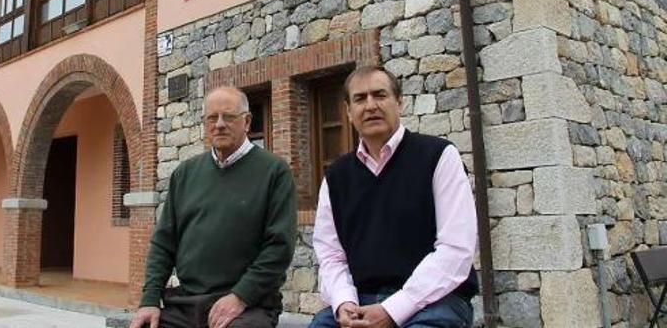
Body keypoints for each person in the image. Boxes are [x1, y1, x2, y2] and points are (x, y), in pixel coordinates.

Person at [309, 66, 478, 328]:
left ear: (399, 102)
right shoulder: (336, 177)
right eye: (360, 99)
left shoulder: (439, 156)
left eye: (380, 95)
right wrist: (344, 303)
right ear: (348, 111)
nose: (370, 105)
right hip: (361, 302)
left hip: (434, 302)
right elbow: (331, 255)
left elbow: (455, 249)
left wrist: (393, 309)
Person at [130, 86, 297, 328]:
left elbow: (279, 247)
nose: (219, 124)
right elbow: (163, 242)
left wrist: (240, 296)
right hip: (187, 302)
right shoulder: (185, 173)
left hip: (248, 305)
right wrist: (149, 299)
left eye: (228, 117)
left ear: (247, 121)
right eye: (212, 117)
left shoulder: (274, 171)